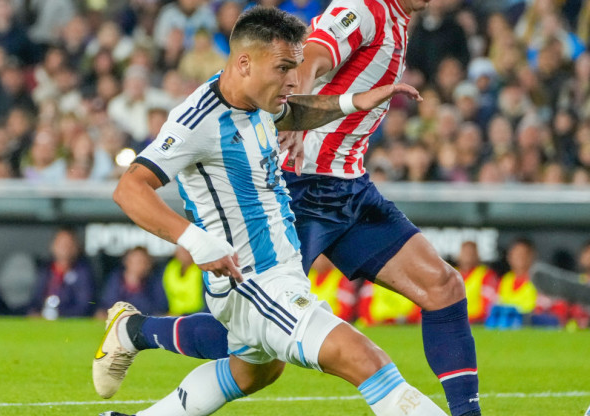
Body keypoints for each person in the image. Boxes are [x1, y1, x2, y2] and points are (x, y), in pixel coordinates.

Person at [97, 0, 483, 414]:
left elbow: (294, 111)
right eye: (284, 70)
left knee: (255, 370)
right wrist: (195, 241)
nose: (292, 82)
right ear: (245, 63)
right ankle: (136, 330)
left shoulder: (259, 100)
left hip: (323, 213)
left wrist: (356, 101)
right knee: (364, 360)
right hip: (257, 276)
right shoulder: (197, 121)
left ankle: (132, 340)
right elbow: (130, 188)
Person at [28, 227, 95, 319]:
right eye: (61, 244)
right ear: (53, 245)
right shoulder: (45, 271)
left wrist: (58, 315)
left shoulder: (83, 273)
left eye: (69, 244)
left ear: (76, 248)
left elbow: (85, 306)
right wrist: (36, 313)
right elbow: (35, 300)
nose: (65, 248)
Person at [96, 246, 169, 318]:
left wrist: (137, 287)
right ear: (127, 262)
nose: (141, 266)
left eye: (144, 262)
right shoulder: (115, 279)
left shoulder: (154, 281)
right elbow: (107, 304)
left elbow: (158, 309)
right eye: (137, 261)